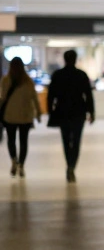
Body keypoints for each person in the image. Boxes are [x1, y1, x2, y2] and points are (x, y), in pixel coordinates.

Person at [47, 49, 96, 183]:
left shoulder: (58, 75)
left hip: (63, 112)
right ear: (75, 60)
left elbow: (51, 95)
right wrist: (91, 113)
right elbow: (88, 96)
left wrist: (51, 112)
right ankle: (72, 166)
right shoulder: (81, 75)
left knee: (66, 140)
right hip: (78, 113)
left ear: (64, 59)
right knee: (76, 141)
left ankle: (69, 164)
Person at [1, 57, 43, 178]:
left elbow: (2, 98)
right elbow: (34, 98)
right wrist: (38, 113)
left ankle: (14, 160)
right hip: (25, 116)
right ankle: (21, 165)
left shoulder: (5, 80)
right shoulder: (28, 81)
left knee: (11, 139)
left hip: (10, 115)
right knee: (24, 141)